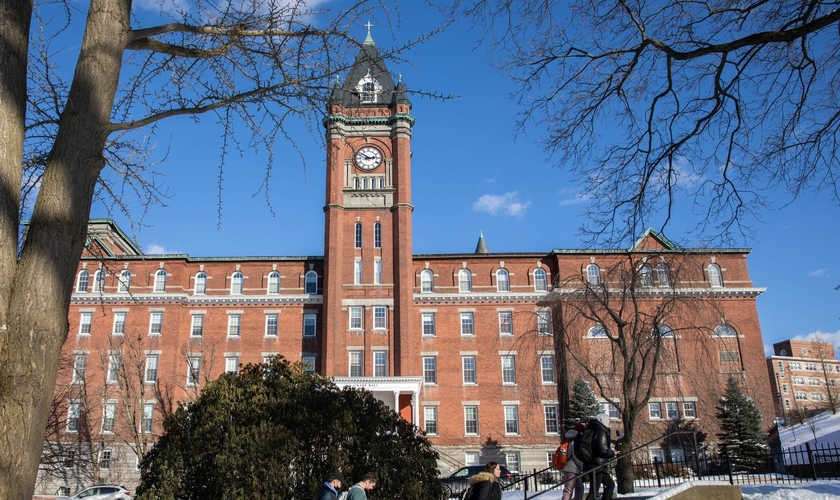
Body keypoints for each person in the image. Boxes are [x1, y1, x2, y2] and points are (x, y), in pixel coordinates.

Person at [579, 413, 616, 500]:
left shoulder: (591, 429)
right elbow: (602, 450)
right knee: (594, 491)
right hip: (597, 464)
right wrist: (612, 453)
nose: (609, 423)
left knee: (610, 484)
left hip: (595, 464)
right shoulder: (600, 431)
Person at [560, 423, 586, 500]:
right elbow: (575, 456)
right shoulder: (574, 442)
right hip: (571, 469)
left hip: (568, 467)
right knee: (568, 490)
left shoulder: (567, 440)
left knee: (579, 487)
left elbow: (563, 453)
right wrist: (582, 466)